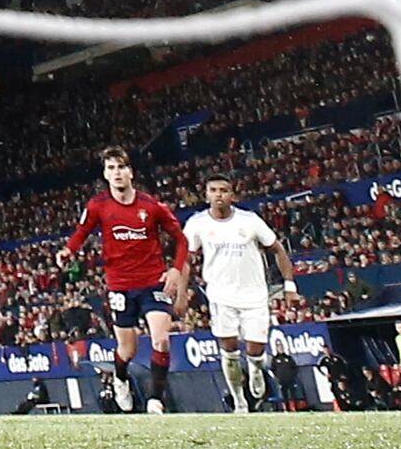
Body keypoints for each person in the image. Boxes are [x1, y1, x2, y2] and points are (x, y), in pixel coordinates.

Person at [64, 147, 186, 414]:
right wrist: (68, 251)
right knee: (127, 350)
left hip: (154, 282)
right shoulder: (98, 205)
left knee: (161, 340)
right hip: (120, 286)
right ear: (105, 175)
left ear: (131, 172)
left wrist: (175, 270)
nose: (116, 173)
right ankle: (120, 377)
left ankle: (155, 399)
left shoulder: (152, 206)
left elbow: (181, 239)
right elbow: (82, 231)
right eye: (111, 168)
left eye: (121, 167)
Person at [180, 176, 293, 414]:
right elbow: (185, 260)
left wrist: (289, 284)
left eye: (223, 190)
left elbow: (277, 249)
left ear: (232, 195)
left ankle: (255, 369)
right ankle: (239, 400)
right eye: (213, 190)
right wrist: (182, 294)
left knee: (256, 350)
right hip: (221, 296)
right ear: (206, 194)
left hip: (254, 295)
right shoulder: (197, 223)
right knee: (229, 351)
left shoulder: (250, 221)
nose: (218, 194)